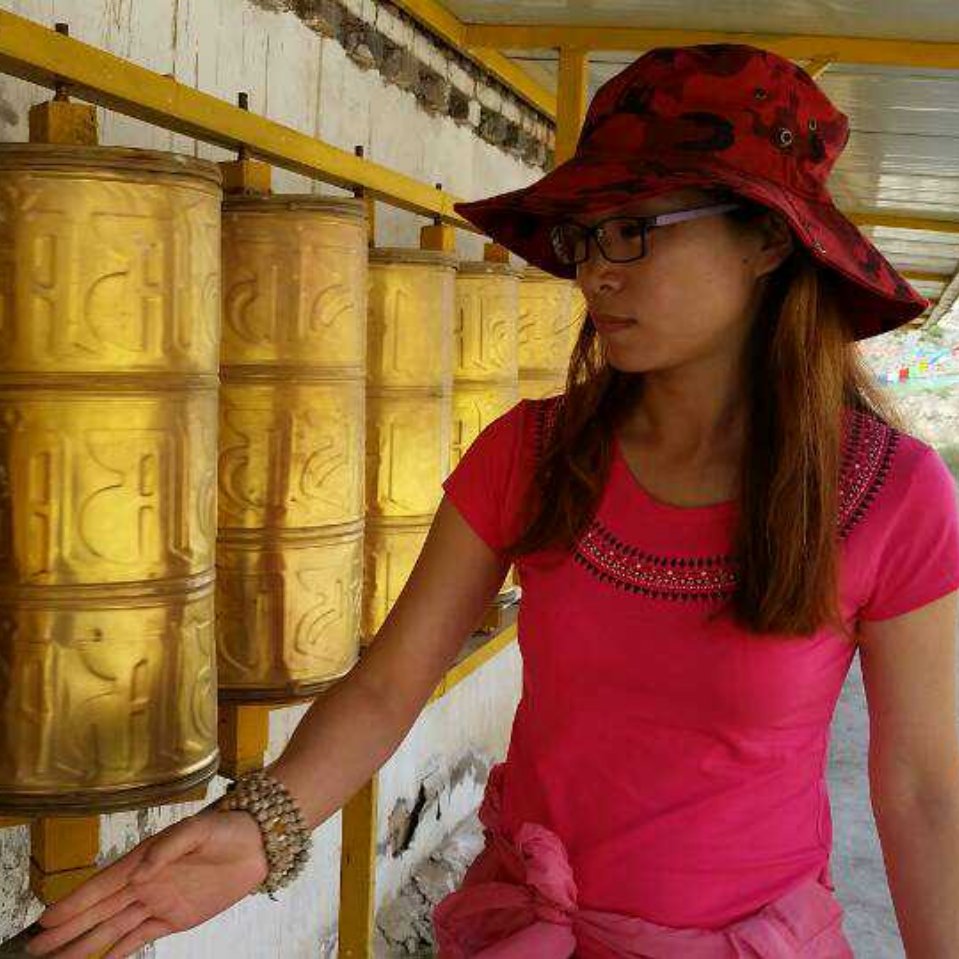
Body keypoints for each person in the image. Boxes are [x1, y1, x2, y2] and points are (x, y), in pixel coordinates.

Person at [25, 42, 959, 959]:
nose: (596, 271)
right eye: (584, 236)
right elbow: (389, 683)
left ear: (765, 239)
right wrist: (261, 827)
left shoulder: (893, 495)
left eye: (634, 228)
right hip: (528, 932)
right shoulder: (534, 454)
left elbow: (925, 791)